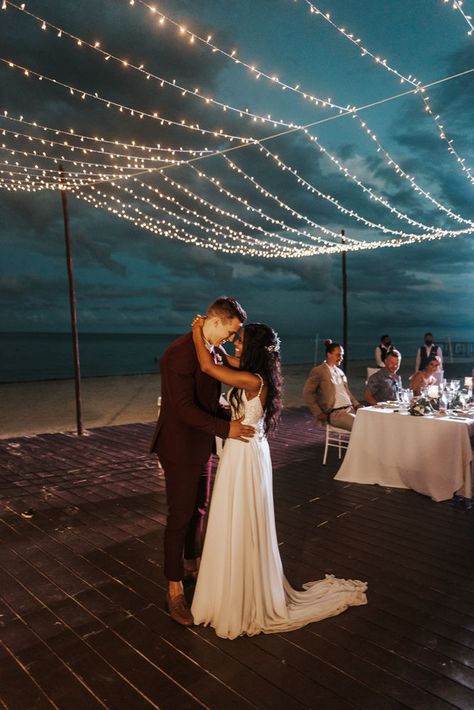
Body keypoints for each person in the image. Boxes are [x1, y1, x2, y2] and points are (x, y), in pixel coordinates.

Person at [190, 318, 367, 639]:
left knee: (240, 518)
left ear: (254, 349)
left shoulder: (253, 380)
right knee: (235, 516)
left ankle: (240, 594)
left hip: (245, 455)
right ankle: (231, 586)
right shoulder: (254, 373)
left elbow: (208, 367)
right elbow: (221, 358)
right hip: (244, 450)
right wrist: (215, 342)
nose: (236, 344)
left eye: (241, 340)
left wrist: (197, 330)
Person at [150, 296, 255, 627]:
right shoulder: (179, 354)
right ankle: (174, 587)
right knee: (179, 515)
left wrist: (232, 414)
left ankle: (193, 565)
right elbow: (183, 408)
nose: (231, 339)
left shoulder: (211, 350)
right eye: (231, 332)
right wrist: (228, 428)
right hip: (179, 447)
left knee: (199, 508)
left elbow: (210, 399)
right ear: (217, 321)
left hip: (200, 445)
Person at [303, 340, 362, 431]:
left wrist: (357, 404)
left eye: (342, 355)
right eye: (338, 355)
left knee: (373, 421)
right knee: (360, 425)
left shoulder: (340, 372)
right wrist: (318, 413)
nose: (341, 358)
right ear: (329, 354)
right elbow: (307, 393)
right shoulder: (319, 371)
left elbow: (347, 392)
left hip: (350, 409)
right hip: (336, 413)